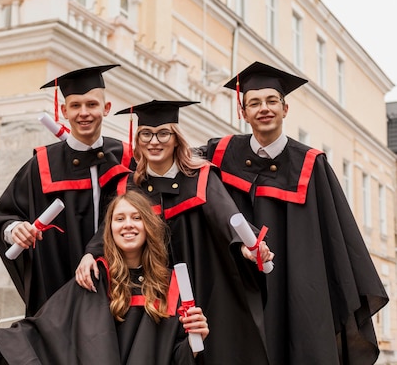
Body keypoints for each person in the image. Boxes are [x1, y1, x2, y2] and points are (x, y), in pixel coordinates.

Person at [199, 61, 389, 364]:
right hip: (235, 288)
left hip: (294, 287)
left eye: (272, 101)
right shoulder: (219, 154)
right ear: (243, 112)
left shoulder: (312, 165)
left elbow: (337, 239)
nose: (264, 108)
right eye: (255, 103)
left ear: (285, 109)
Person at [76, 100, 272, 364]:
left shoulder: (199, 177)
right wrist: (90, 253)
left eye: (163, 134)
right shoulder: (130, 185)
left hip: (200, 277)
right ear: (138, 140)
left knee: (204, 344)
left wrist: (247, 245)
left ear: (176, 139)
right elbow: (111, 227)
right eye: (146, 134)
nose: (154, 141)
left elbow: (227, 216)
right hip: (155, 288)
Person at [0, 190, 209, 364]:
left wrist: (195, 342)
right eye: (119, 218)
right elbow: (44, 334)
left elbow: (178, 358)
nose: (128, 225)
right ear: (109, 230)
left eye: (137, 218)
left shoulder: (172, 286)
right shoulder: (94, 280)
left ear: (149, 226)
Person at [0, 64, 132, 316]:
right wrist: (15, 230)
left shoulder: (125, 158)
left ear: (106, 109)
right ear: (63, 111)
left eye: (92, 104)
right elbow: (3, 215)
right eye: (75, 106)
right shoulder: (43, 164)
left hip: (118, 288)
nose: (84, 113)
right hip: (58, 288)